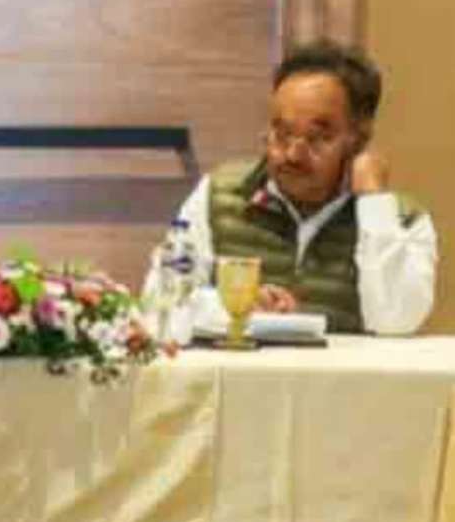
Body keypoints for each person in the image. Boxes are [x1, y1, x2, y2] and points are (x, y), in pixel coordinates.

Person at [148, 39, 436, 334]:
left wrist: (373, 203)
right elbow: (160, 299)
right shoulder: (219, 195)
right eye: (282, 133)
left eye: (317, 138)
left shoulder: (402, 220)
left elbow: (395, 323)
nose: (293, 154)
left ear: (358, 140)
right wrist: (230, 306)